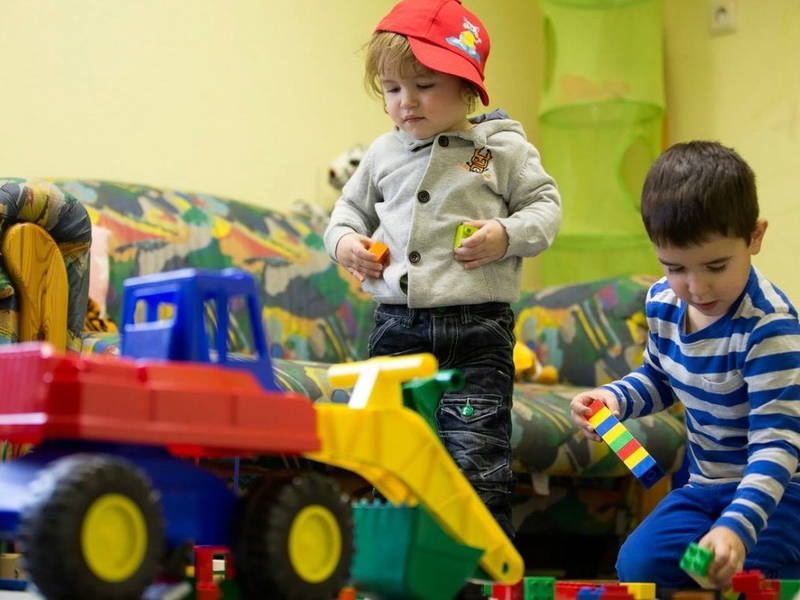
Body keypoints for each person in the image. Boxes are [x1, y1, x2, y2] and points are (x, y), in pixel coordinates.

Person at [323, 0, 561, 537]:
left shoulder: (499, 150)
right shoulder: (382, 154)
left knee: (477, 455)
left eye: (425, 86)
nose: (406, 102)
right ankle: (400, 563)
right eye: (391, 89)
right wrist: (345, 246)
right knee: (394, 452)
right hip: (397, 328)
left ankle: (478, 568)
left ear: (468, 87)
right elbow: (345, 215)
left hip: (479, 330)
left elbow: (545, 209)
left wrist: (506, 235)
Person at [570, 141, 800, 589]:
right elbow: (659, 378)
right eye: (674, 267)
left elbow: (778, 444)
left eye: (715, 265)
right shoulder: (662, 301)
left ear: (754, 236)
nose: (695, 287)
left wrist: (735, 527)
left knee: (739, 571)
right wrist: (612, 399)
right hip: (703, 488)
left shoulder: (769, 327)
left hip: (781, 491)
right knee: (640, 565)